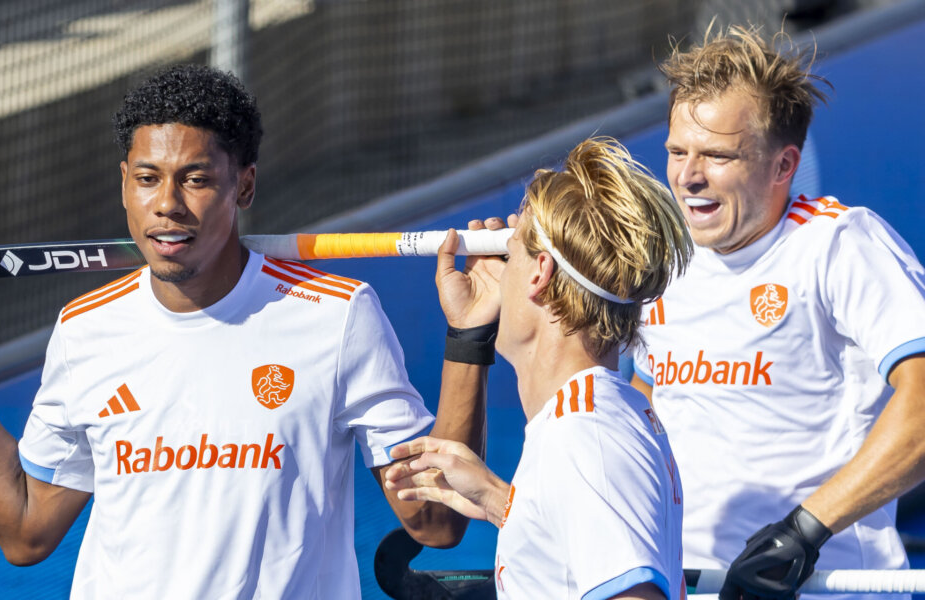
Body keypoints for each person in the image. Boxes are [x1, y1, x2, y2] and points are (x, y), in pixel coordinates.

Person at [0, 64, 490, 598]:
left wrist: (468, 336)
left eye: (195, 179)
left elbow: (437, 523)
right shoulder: (85, 328)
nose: (167, 204)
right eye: (147, 178)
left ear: (244, 186)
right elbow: (25, 531)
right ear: (124, 184)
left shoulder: (335, 317)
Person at [629, 24, 925, 600]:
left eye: (717, 155)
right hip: (688, 585)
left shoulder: (839, 243)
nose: (688, 176)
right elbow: (649, 407)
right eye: (677, 151)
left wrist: (804, 532)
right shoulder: (663, 260)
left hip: (825, 587)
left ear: (784, 165)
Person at [385, 137, 693, 600]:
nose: (498, 271)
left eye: (511, 253)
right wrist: (503, 505)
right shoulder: (605, 413)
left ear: (540, 272)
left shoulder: (584, 435)